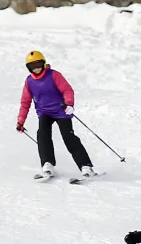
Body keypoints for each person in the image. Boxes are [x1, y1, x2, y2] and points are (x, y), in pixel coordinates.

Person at [15, 50, 95, 180]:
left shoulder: (54, 75)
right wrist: (20, 121)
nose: (36, 68)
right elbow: (25, 103)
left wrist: (69, 104)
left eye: (38, 64)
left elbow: (67, 90)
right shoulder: (29, 81)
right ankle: (47, 164)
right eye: (32, 66)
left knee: (68, 137)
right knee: (42, 134)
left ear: (43, 63)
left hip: (61, 111)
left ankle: (86, 166)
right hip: (44, 112)